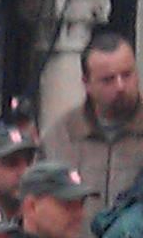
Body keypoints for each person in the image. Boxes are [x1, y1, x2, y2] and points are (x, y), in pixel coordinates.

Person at [47, 30, 143, 220]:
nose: (120, 86)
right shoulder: (61, 136)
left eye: (127, 75)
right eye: (108, 79)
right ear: (87, 83)